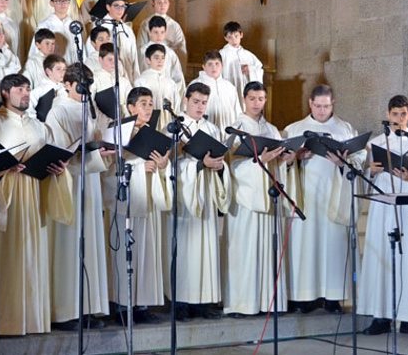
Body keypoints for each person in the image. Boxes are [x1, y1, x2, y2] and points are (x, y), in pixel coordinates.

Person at [0, 73, 73, 335]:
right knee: (5, 257)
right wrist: (5, 169)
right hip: (4, 199)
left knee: (32, 257)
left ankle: (32, 319)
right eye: (19, 89)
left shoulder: (39, 126)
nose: (25, 94)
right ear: (5, 93)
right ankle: (2, 321)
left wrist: (58, 169)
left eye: (28, 89)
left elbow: (49, 156)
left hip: (33, 195)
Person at [283, 84, 365, 314]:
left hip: (334, 195)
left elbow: (359, 158)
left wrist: (343, 163)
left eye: (326, 106)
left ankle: (332, 298)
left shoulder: (345, 128)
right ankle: (304, 297)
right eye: (317, 106)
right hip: (306, 197)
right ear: (310, 103)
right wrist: (295, 158)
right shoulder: (294, 129)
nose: (321, 111)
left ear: (333, 104)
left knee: (332, 246)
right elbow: (283, 162)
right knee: (305, 246)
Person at [44, 62, 112, 329]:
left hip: (90, 179)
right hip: (69, 181)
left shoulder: (87, 108)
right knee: (70, 244)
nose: (85, 91)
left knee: (91, 241)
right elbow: (59, 151)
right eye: (80, 86)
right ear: (67, 84)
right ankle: (67, 311)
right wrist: (87, 151)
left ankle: (88, 308)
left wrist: (100, 146)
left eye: (88, 86)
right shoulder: (58, 111)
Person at [224, 81, 294, 316]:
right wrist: (259, 162)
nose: (257, 103)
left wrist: (282, 160)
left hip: (267, 196)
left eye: (261, 99)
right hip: (246, 200)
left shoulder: (273, 130)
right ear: (245, 99)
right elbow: (231, 165)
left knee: (269, 250)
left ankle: (270, 302)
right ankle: (241, 304)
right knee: (244, 250)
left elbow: (276, 162)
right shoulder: (235, 128)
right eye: (253, 98)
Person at [358, 94, 408, 335]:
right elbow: (368, 178)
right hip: (383, 206)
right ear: (388, 115)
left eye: (403, 115)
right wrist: (372, 171)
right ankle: (381, 316)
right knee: (382, 259)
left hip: (407, 207)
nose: (399, 119)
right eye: (394, 115)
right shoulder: (376, 142)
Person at [108, 86, 170, 324]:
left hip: (148, 198)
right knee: (128, 252)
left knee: (147, 253)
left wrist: (163, 164)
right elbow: (109, 169)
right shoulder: (119, 131)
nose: (148, 108)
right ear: (130, 107)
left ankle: (142, 304)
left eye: (150, 103)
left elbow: (160, 164)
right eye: (143, 103)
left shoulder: (152, 133)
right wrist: (137, 168)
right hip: (128, 200)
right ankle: (123, 305)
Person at [169, 82, 230, 320]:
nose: (200, 107)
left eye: (204, 103)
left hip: (206, 192)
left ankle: (203, 302)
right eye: (196, 102)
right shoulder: (175, 127)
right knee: (186, 249)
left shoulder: (212, 129)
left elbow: (221, 158)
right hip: (187, 195)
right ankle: (182, 301)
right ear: (185, 100)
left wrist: (218, 165)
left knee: (206, 249)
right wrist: (198, 164)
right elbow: (172, 163)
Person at [188, 50, 242, 139]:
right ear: (203, 67)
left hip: (227, 133)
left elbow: (237, 112)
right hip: (203, 133)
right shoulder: (195, 85)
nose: (214, 67)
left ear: (222, 66)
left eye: (217, 64)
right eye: (210, 64)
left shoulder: (229, 87)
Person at [135, 43, 180, 130]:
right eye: (156, 58)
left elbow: (176, 105)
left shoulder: (170, 82)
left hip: (168, 125)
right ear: (148, 60)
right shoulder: (141, 81)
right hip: (149, 124)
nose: (160, 61)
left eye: (162, 58)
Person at [99, 0, 141, 83]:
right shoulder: (101, 28)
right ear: (108, 7)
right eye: (116, 6)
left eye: (123, 6)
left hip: (127, 78)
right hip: (107, 78)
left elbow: (134, 57)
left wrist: (136, 80)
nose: (120, 10)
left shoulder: (127, 29)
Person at [137, 0, 188, 66]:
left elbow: (181, 48)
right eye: (159, 2)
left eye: (165, 2)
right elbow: (140, 45)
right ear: (153, 4)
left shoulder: (174, 25)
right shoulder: (145, 24)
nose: (162, 5)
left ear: (169, 4)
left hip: (169, 63)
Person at [138, 15, 185, 95]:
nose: (159, 36)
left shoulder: (170, 53)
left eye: (162, 32)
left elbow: (178, 77)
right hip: (148, 92)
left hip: (167, 92)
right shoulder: (142, 52)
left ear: (165, 32)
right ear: (149, 32)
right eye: (155, 32)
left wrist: (173, 92)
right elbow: (138, 72)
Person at [219, 21, 264, 104]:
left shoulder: (248, 55)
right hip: (229, 89)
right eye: (230, 37)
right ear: (225, 38)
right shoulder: (222, 54)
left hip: (244, 90)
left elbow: (259, 68)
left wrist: (250, 70)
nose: (234, 40)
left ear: (241, 35)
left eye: (236, 36)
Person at [35, 0, 79, 64]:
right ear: (52, 3)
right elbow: (37, 52)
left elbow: (79, 49)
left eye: (66, 1)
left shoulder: (74, 25)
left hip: (72, 68)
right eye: (58, 1)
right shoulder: (44, 25)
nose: (63, 4)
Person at [27, 54, 67, 120]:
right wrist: (37, 123)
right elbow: (29, 108)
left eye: (64, 69)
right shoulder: (40, 90)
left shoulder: (65, 88)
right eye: (58, 69)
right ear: (48, 71)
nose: (63, 72)